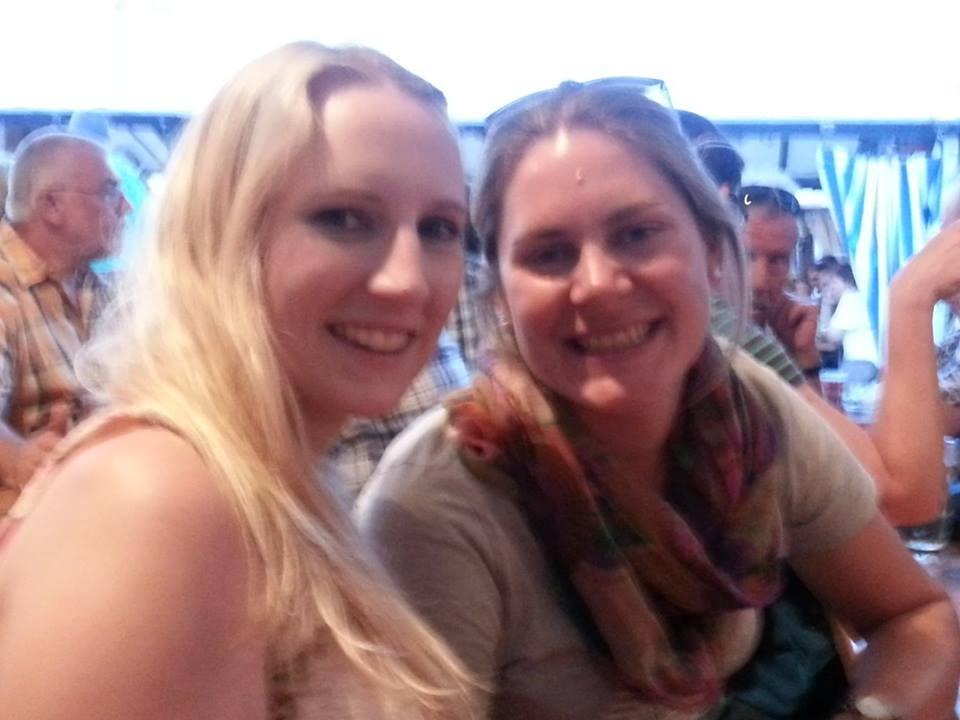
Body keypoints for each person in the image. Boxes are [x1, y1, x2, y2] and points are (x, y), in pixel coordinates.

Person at [357, 82, 960, 719]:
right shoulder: (436, 507)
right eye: (550, 254)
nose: (598, 284)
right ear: (501, 295)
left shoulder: (747, 404)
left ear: (709, 253)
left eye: (638, 234)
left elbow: (914, 617)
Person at [0, 42, 475, 719]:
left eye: (439, 228)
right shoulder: (156, 500)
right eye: (344, 218)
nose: (409, 280)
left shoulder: (274, 473)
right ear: (223, 232)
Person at [0, 134, 128, 511]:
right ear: (52, 206)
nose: (127, 206)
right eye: (109, 192)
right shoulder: (6, 290)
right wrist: (17, 457)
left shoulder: (93, 283)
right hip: (33, 514)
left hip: (96, 491)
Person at [818, 262, 879, 380]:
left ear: (847, 282)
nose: (831, 288)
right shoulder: (858, 297)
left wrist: (826, 305)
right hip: (866, 363)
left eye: (834, 283)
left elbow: (833, 337)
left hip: (859, 363)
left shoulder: (849, 299)